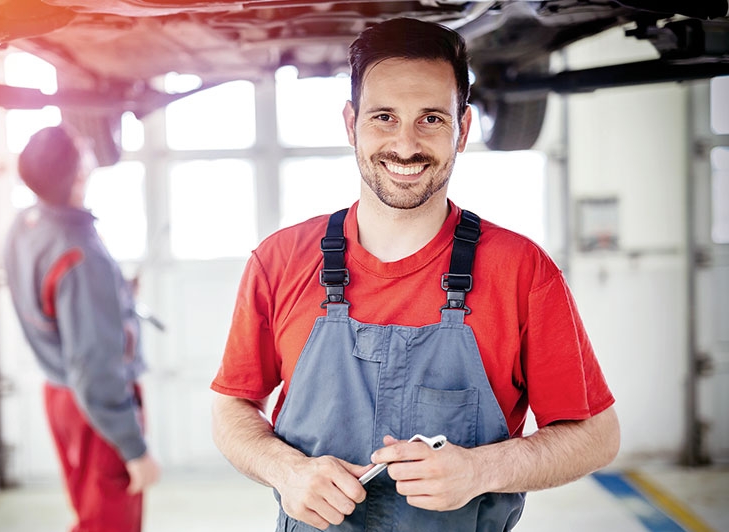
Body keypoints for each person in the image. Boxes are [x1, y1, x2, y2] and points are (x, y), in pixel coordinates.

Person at [210, 17, 620, 531]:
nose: (405, 146)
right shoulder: (280, 261)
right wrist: (286, 470)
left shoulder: (521, 270)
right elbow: (233, 405)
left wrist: (481, 469)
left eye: (431, 119)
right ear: (349, 123)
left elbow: (597, 434)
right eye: (384, 116)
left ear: (463, 129)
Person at [3, 125, 160, 532]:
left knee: (89, 513)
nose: (89, 143)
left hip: (61, 393)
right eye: (80, 145)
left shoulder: (27, 223)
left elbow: (50, 298)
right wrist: (133, 448)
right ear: (76, 176)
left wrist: (112, 296)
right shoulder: (79, 254)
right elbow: (94, 365)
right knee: (109, 524)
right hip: (98, 405)